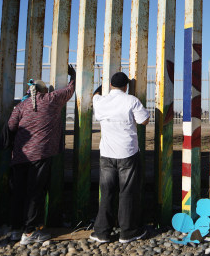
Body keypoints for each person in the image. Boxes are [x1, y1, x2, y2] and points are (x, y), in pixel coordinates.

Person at [8, 65, 76, 244]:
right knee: (35, 192)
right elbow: (70, 90)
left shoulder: (21, 105)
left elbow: (11, 127)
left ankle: (16, 229)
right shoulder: (51, 99)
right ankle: (29, 233)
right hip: (40, 155)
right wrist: (73, 74)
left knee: (19, 193)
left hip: (19, 156)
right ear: (44, 90)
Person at [90, 72, 150, 244]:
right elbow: (144, 120)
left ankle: (102, 232)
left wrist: (101, 85)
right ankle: (128, 233)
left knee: (107, 192)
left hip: (107, 154)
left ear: (110, 85)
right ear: (126, 86)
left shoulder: (100, 101)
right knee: (127, 193)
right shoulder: (131, 100)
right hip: (127, 154)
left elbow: (95, 95)